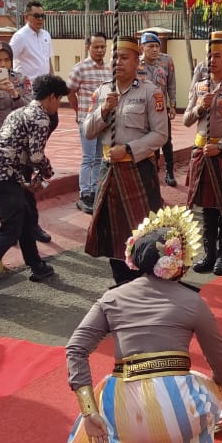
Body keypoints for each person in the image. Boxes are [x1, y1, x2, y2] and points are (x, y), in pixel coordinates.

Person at [59, 206, 222, 443]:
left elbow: (76, 348)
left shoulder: (112, 298)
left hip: (125, 415)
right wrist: (221, 383)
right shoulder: (194, 302)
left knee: (106, 392)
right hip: (180, 417)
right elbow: (220, 359)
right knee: (202, 389)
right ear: (178, 261)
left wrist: (89, 411)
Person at [0, 75, 65, 305]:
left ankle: (36, 265)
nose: (58, 105)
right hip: (5, 175)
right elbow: (36, 156)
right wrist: (48, 172)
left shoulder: (20, 112)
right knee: (11, 228)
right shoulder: (40, 118)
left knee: (24, 216)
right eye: (59, 100)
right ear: (51, 97)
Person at [83, 37, 169, 284]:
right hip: (109, 170)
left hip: (138, 170)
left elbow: (160, 135)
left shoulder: (150, 92)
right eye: (114, 57)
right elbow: (88, 131)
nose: (117, 62)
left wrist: (129, 149)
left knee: (143, 230)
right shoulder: (102, 91)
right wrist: (103, 110)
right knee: (112, 231)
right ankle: (121, 281)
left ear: (136, 60)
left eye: (124, 57)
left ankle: (144, 282)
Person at [183, 32, 222, 276]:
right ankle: (209, 254)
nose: (212, 61)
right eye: (209, 56)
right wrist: (199, 107)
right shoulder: (199, 86)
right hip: (202, 153)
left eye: (217, 56)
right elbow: (186, 120)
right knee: (207, 208)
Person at [69, 32, 113, 213]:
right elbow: (70, 91)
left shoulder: (109, 69)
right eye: (96, 47)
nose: (100, 50)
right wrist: (78, 112)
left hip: (103, 120)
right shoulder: (80, 68)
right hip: (87, 120)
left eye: (103, 47)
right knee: (88, 158)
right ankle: (84, 194)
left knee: (99, 157)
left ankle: (95, 190)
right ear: (88, 47)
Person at [139, 31, 179, 187]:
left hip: (161, 109)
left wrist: (172, 105)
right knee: (150, 142)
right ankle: (153, 171)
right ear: (142, 48)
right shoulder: (137, 63)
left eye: (157, 46)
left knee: (166, 141)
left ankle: (169, 172)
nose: (155, 49)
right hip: (143, 112)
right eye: (151, 46)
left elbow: (171, 84)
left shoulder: (166, 60)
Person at [10, 1, 53, 82]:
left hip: (45, 86)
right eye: (36, 16)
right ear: (26, 17)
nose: (40, 19)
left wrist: (53, 83)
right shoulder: (20, 37)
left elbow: (49, 61)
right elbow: (7, 60)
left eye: (42, 16)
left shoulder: (46, 35)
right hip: (28, 87)